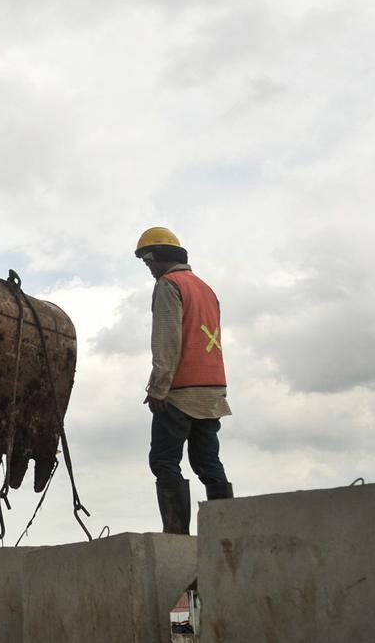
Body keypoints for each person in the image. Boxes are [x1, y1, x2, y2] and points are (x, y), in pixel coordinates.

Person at [135, 227, 234, 535]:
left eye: (148, 261)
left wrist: (158, 388)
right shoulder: (205, 288)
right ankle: (226, 536)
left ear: (160, 258)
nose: (149, 269)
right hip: (213, 391)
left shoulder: (168, 285)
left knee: (164, 462)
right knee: (208, 463)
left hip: (179, 391)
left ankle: (176, 540)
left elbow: (167, 339)